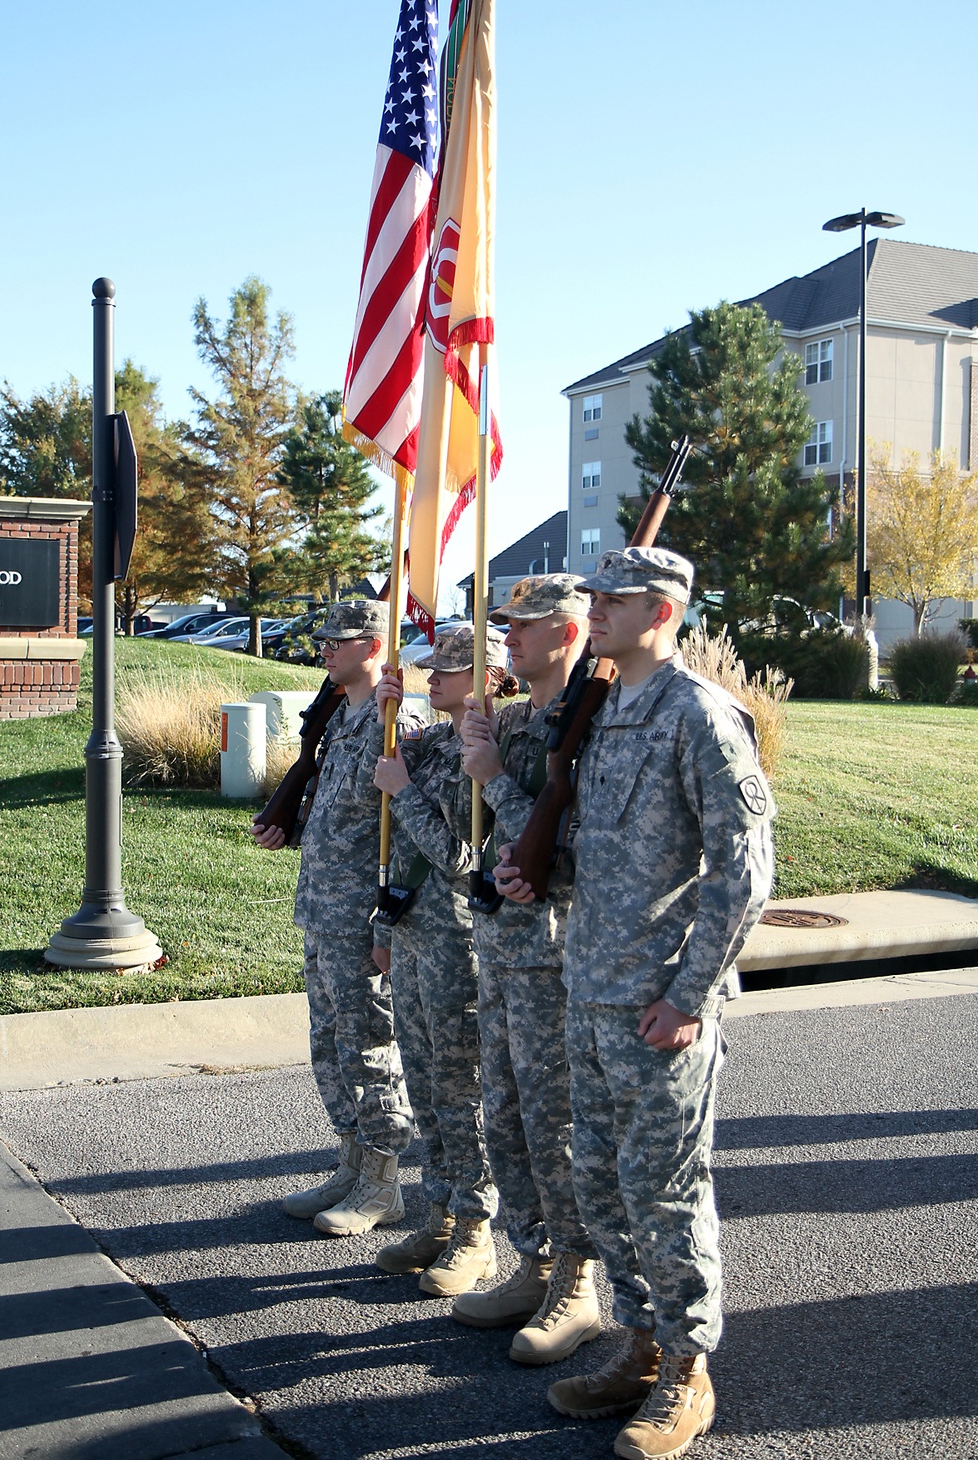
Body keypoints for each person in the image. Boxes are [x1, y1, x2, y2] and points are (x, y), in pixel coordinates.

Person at [497, 547, 775, 1460]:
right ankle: (642, 1345)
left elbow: (744, 874)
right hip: (589, 992)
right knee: (607, 1188)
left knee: (665, 1189)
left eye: (612, 598)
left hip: (658, 1005)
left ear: (661, 611)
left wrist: (689, 995)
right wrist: (539, 872)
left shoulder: (701, 716)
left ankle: (689, 1373)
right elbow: (612, 849)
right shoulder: (612, 711)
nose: (596, 609)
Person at [451, 575, 600, 1367]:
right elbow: (473, 826)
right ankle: (532, 1262)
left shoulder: (592, 722)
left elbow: (566, 848)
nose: (509, 634)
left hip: (556, 953)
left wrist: (494, 777)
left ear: (570, 631)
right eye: (507, 622)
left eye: (527, 624)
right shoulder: (517, 720)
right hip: (502, 947)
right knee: (505, 1116)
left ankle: (578, 1282)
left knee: (556, 1123)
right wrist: (468, 734)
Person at [354, 624, 516, 1298]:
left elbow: (461, 861)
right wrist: (381, 704)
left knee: (460, 1092)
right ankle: (439, 1212)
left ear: (492, 677)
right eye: (432, 668)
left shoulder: (488, 746)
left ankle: (476, 1233)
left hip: (458, 939)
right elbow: (380, 782)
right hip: (416, 934)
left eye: (451, 669)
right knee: (424, 1082)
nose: (434, 677)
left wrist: (405, 793)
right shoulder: (433, 741)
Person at [250, 600, 417, 1237]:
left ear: (374, 647)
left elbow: (405, 833)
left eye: (338, 641)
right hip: (322, 908)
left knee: (371, 1046)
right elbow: (337, 814)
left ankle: (383, 1181)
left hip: (362, 919)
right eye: (323, 640)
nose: (325, 649)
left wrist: (386, 926)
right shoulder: (341, 721)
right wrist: (288, 827)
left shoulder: (393, 723)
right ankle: (350, 1162)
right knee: (330, 1046)